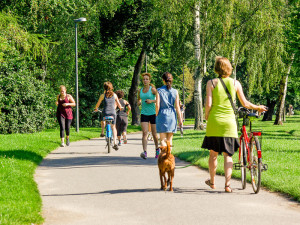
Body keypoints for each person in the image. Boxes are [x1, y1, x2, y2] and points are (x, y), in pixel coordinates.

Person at [202, 56, 268, 193]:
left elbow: (208, 104)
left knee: (213, 154)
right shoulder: (235, 83)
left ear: (216, 68)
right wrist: (257, 107)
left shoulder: (211, 83)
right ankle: (227, 185)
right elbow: (245, 103)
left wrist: (206, 116)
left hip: (214, 121)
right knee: (228, 155)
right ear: (229, 68)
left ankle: (212, 182)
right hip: (229, 123)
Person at [156, 72, 183, 149]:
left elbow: (157, 105)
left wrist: (156, 115)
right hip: (172, 115)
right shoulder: (175, 91)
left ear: (163, 80)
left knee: (162, 140)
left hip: (162, 115)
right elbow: (177, 107)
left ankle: (164, 157)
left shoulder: (159, 90)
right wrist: (180, 119)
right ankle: (169, 157)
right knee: (169, 140)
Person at [94, 82, 123, 151]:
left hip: (105, 113)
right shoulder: (115, 95)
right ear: (111, 88)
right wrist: (121, 107)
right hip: (113, 113)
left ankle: (102, 132)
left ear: (104, 88)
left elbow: (97, 104)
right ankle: (115, 142)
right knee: (113, 127)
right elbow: (119, 105)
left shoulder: (102, 95)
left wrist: (96, 108)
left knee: (102, 121)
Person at [138, 73, 160, 159]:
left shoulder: (153, 90)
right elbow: (139, 100)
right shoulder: (140, 90)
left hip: (153, 113)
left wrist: (151, 101)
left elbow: (158, 99)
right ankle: (145, 152)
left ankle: (157, 149)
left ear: (149, 80)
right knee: (144, 133)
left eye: (147, 79)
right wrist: (139, 102)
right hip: (144, 113)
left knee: (154, 134)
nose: (145, 81)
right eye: (144, 79)